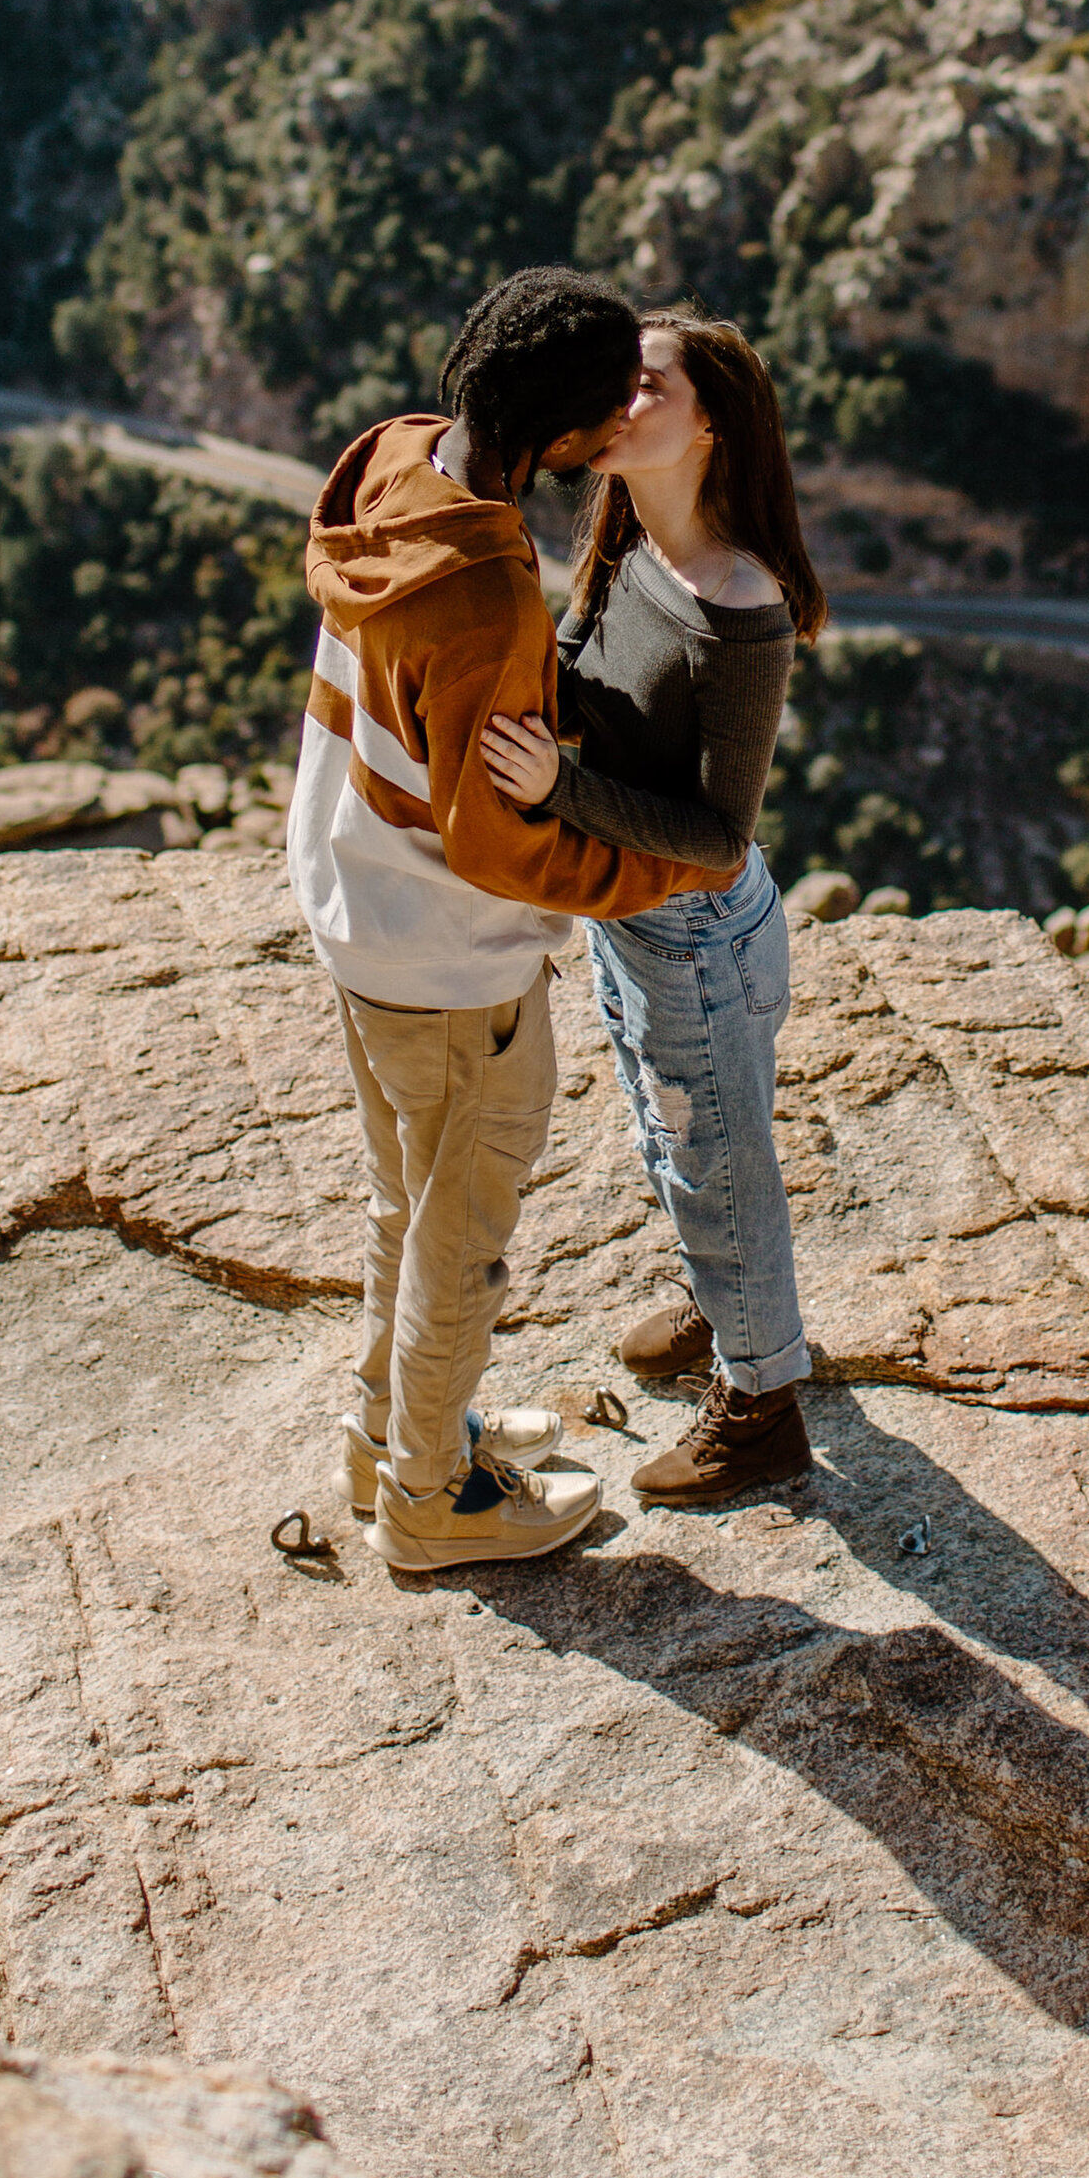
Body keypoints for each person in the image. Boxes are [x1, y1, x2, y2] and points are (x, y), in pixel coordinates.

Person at [289, 266, 722, 1575]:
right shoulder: (488, 596)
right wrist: (652, 872)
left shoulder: (392, 464)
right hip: (447, 956)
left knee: (402, 1207)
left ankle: (399, 1436)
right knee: (460, 1237)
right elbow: (497, 840)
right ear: (577, 438)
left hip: (353, 909)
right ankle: (433, 1500)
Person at [479, 308, 826, 1507]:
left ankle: (763, 1398)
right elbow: (579, 676)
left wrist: (557, 788)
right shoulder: (627, 540)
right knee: (677, 1140)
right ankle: (718, 1290)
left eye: (647, 390)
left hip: (697, 932)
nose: (618, 408)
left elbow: (719, 836)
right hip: (631, 916)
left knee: (720, 1162)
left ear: (713, 423)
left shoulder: (741, 609)